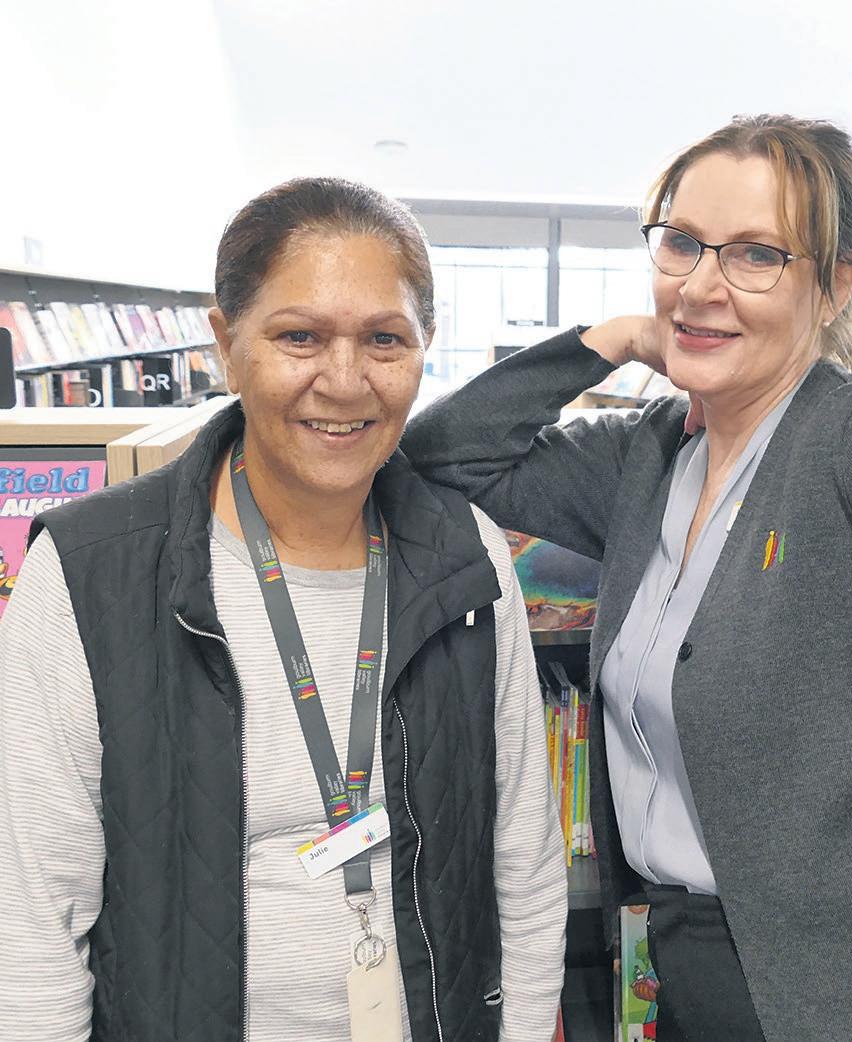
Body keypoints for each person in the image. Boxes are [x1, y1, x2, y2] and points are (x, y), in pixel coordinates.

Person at [401, 114, 852, 1042]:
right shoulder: (647, 457)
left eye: (755, 255)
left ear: (837, 284)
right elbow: (439, 454)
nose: (701, 285)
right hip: (701, 963)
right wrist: (608, 340)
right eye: (681, 243)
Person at [0, 177, 566, 1042]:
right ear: (226, 345)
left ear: (425, 347)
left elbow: (522, 862)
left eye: (384, 339)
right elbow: (34, 919)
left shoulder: (468, 558)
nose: (344, 381)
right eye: (298, 336)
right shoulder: (89, 573)